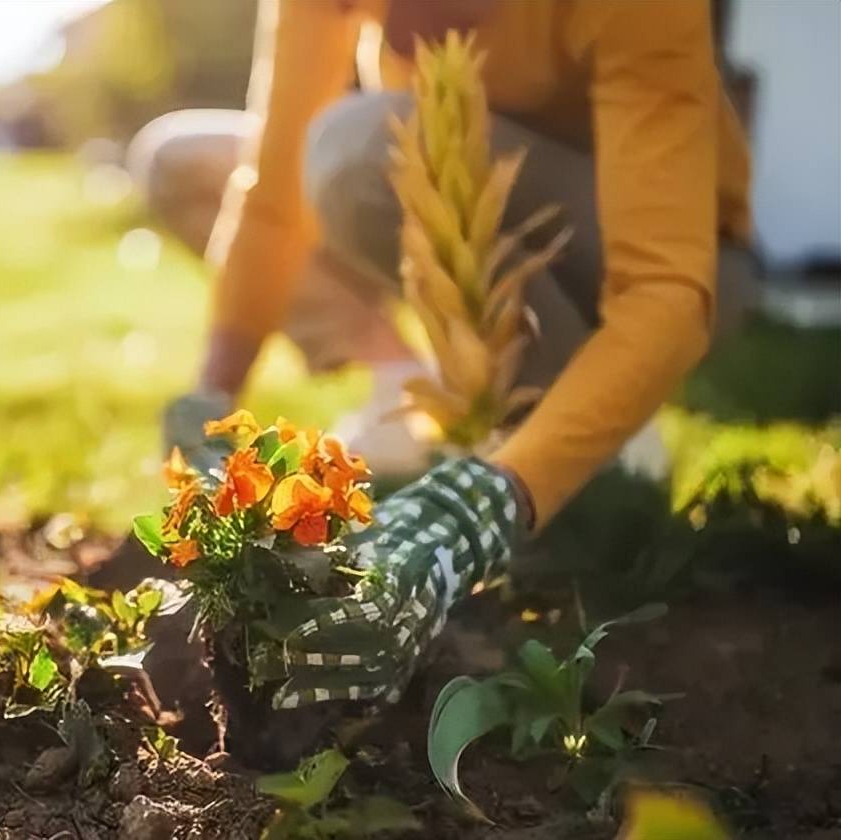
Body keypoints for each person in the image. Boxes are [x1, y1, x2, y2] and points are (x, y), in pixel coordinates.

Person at [138, 0, 757, 709]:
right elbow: (275, 195)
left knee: (365, 143)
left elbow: (666, 292)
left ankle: (570, 422)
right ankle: (412, 393)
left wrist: (500, 497)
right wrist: (210, 402)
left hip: (677, 250)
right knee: (184, 160)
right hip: (468, 181)